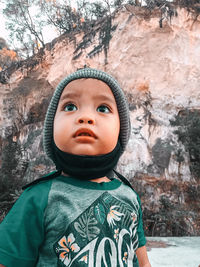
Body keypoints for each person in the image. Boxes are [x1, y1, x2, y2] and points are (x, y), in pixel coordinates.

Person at [0, 68, 151, 267]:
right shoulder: (38, 198)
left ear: (120, 132)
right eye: (70, 106)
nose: (85, 117)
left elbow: (141, 261)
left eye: (103, 108)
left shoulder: (130, 197)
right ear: (51, 129)